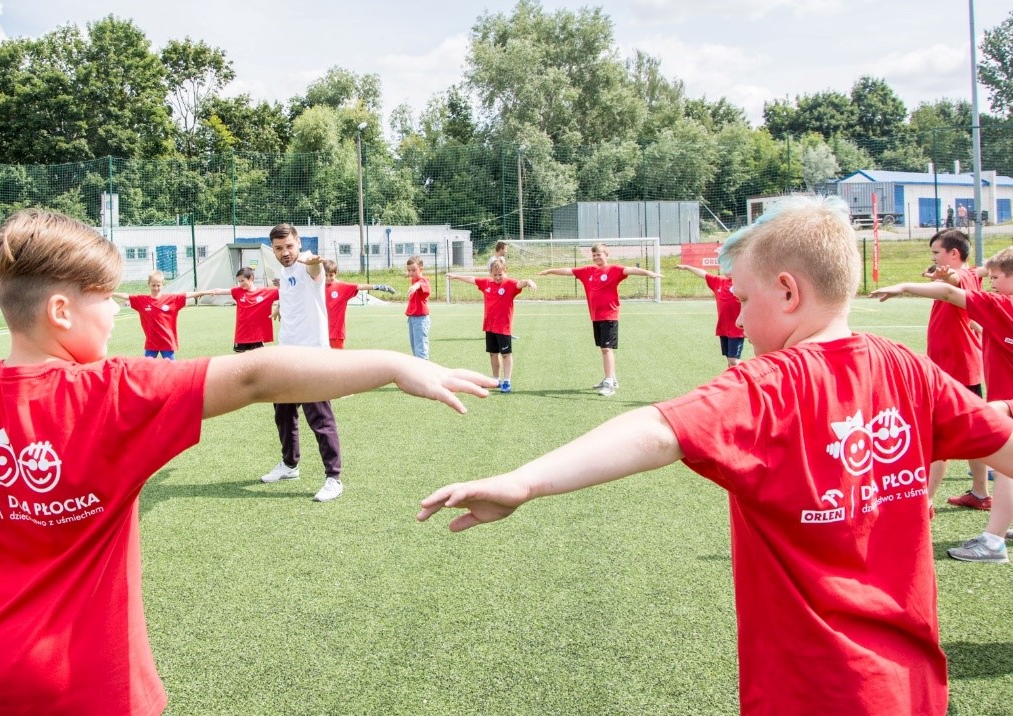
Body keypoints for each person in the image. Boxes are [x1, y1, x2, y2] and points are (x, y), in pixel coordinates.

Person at [0, 208, 492, 715]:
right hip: (94, 684)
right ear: (63, 309)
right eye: (108, 296)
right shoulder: (115, 393)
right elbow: (259, 373)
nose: (119, 309)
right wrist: (394, 363)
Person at [420, 196, 1013, 716]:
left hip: (814, 691)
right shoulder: (906, 366)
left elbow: (655, 428)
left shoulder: (768, 383)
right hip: (914, 688)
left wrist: (525, 482)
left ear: (787, 291)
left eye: (744, 298)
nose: (740, 317)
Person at [872, 245, 1013, 563]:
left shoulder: (1002, 306)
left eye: (996, 278)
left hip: (1007, 402)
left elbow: (950, 294)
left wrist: (904, 287)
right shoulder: (1000, 308)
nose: (989, 283)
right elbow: (971, 275)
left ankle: (992, 543)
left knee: (1006, 471)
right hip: (1006, 400)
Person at [259, 224, 347, 501]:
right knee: (283, 414)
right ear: (273, 249)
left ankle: (334, 478)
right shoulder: (284, 273)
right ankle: (289, 464)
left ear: (298, 243)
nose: (285, 252)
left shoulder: (309, 264)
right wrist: (279, 308)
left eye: (289, 246)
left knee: (320, 419)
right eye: (279, 248)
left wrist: (311, 263)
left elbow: (313, 271)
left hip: (311, 355)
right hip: (286, 353)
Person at [918, 230, 988, 513]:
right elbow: (974, 271)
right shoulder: (972, 273)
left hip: (957, 369)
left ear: (954, 254)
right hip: (959, 367)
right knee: (976, 433)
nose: (933, 258)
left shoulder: (963, 278)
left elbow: (955, 281)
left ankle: (926, 500)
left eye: (937, 253)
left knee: (941, 434)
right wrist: (939, 272)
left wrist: (943, 276)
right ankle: (980, 493)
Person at [538, 244, 663, 396]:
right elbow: (568, 270)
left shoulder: (614, 270)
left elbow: (631, 269)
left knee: (606, 348)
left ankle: (609, 384)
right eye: (594, 255)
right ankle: (611, 379)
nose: (597, 257)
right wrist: (550, 271)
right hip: (595, 316)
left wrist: (649, 273)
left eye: (599, 254)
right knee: (603, 348)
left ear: (606, 255)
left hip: (609, 315)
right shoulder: (587, 271)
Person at [448, 257, 536, 393]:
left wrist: (528, 281)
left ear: (505, 271)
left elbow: (520, 283)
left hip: (503, 328)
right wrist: (456, 276)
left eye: (500, 274)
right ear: (490, 273)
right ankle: (495, 380)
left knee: (506, 355)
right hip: (489, 326)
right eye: (495, 275)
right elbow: (472, 279)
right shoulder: (486, 283)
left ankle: (507, 381)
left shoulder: (510, 284)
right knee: (493, 354)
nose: (497, 277)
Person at [110, 271, 226, 359]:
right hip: (151, 343)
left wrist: (203, 292)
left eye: (158, 285)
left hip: (167, 342)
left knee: (171, 370)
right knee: (147, 368)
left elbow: (187, 295)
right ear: (149, 284)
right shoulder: (142, 300)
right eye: (153, 285)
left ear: (162, 285)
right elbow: (126, 296)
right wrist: (109, 292)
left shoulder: (171, 299)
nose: (156, 288)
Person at [674, 263, 745, 370]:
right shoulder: (718, 281)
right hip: (723, 328)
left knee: (733, 360)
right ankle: (734, 379)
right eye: (725, 267)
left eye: (729, 268)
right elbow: (704, 274)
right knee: (729, 359)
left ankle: (750, 374)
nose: (726, 270)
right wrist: (687, 267)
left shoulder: (742, 285)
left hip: (737, 330)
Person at [320, 259, 394, 349]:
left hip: (336, 334)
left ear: (336, 273)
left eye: (331, 275)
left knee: (338, 360)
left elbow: (359, 286)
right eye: (325, 275)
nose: (328, 278)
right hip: (320, 333)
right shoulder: (318, 287)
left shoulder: (342, 287)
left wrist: (380, 287)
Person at [229, 267, 279, 353]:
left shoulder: (266, 292)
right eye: (239, 281)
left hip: (257, 336)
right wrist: (202, 293)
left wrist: (278, 307)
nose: (240, 284)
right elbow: (220, 291)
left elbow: (287, 293)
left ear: (251, 278)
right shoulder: (238, 291)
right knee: (238, 362)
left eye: (242, 281)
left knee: (260, 361)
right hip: (241, 336)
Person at [406, 256, 432, 359]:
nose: (411, 273)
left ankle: (425, 373)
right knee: (415, 349)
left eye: (414, 270)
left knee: (421, 351)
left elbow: (419, 284)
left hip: (420, 319)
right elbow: (416, 281)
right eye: (409, 270)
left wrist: (414, 287)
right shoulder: (414, 279)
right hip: (413, 318)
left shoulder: (423, 281)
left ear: (421, 269)